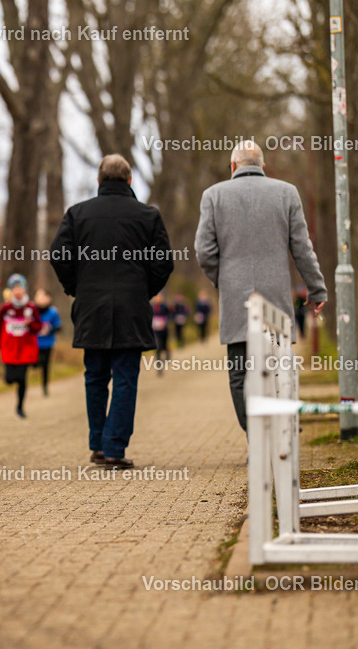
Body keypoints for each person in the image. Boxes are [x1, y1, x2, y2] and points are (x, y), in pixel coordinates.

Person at [50, 154, 173, 470]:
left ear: (99, 180)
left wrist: (76, 287)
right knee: (125, 379)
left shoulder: (78, 214)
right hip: (132, 307)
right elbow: (164, 263)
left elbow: (58, 255)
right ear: (130, 180)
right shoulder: (148, 216)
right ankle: (114, 448)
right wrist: (143, 290)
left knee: (95, 376)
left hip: (91, 307)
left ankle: (98, 445)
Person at [195, 140, 326, 433]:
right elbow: (302, 248)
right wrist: (316, 289)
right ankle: (283, 430)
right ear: (263, 166)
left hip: (236, 301)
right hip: (276, 300)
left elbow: (204, 251)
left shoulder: (213, 196)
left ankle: (257, 438)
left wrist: (223, 280)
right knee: (281, 369)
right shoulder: (287, 193)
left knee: (240, 375)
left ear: (232, 166)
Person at [0, 273, 43, 418]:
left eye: (20, 288)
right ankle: (12, 383)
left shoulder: (31, 308)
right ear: (10, 291)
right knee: (9, 379)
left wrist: (30, 324)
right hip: (9, 348)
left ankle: (20, 407)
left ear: (25, 289)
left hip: (26, 349)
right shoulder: (5, 308)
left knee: (22, 378)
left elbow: (38, 327)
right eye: (14, 288)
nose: (17, 291)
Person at [33, 288, 62, 397]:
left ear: (49, 299)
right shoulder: (32, 311)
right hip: (34, 343)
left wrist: (50, 329)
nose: (40, 299)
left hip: (48, 343)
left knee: (45, 365)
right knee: (35, 363)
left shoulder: (53, 312)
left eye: (43, 296)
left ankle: (45, 386)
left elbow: (59, 326)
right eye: (38, 296)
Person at [150, 293, 171, 373]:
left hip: (164, 330)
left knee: (164, 346)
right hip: (155, 331)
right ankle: (159, 365)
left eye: (159, 297)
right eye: (156, 298)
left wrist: (165, 321)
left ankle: (168, 354)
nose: (158, 299)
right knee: (158, 346)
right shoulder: (152, 307)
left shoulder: (164, 307)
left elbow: (170, 316)